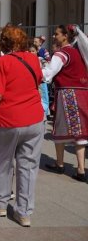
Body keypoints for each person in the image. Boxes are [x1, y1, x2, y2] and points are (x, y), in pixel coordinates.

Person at [0, 24, 44, 227]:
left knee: (3, 163)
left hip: (7, 120)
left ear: (4, 42)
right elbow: (38, 81)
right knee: (28, 166)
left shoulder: (1, 62)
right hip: (33, 118)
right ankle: (24, 212)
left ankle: (1, 203)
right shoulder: (33, 59)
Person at [42, 24, 88, 182]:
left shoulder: (61, 54)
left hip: (68, 94)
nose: (54, 36)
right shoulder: (79, 53)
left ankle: (60, 164)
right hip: (82, 94)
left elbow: (48, 73)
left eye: (57, 34)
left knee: (60, 127)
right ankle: (80, 169)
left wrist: (33, 71)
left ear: (65, 36)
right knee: (80, 132)